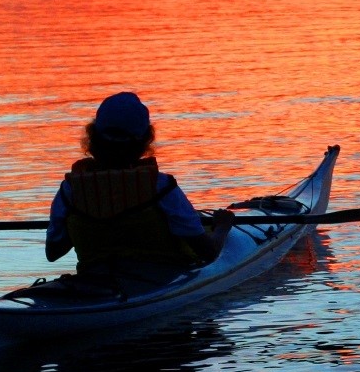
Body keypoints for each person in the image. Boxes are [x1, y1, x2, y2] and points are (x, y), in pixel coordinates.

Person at [45, 92, 233, 288]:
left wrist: (92, 219)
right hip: (159, 283)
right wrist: (223, 227)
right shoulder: (160, 186)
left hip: (93, 282)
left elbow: (53, 252)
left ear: (93, 138)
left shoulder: (71, 190)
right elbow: (209, 253)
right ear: (144, 141)